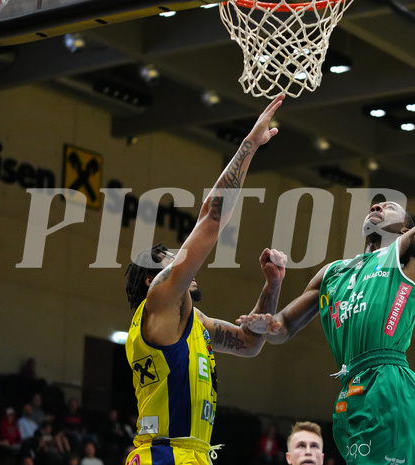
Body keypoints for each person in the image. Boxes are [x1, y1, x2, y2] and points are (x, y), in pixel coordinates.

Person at [237, 68, 415, 465]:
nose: (379, 204)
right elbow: (280, 330)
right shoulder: (332, 274)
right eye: (377, 202)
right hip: (350, 390)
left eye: (391, 205)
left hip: (389, 384)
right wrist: (268, 312)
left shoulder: (409, 252)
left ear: (406, 226)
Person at [123, 95, 287, 465]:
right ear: (153, 280)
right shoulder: (160, 303)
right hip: (163, 454)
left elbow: (249, 344)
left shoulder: (194, 324)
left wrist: (272, 285)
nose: (183, 265)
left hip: (193, 455)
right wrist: (250, 144)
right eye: (169, 262)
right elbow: (210, 221)